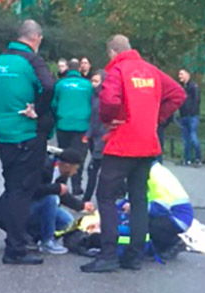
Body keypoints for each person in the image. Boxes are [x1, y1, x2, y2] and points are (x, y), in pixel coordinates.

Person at [80, 34, 186, 273]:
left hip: (122, 144)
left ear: (112, 52)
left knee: (105, 196)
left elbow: (108, 100)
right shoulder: (151, 71)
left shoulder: (118, 71)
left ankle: (108, 255)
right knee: (139, 198)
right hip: (147, 144)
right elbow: (178, 94)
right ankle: (134, 256)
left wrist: (109, 120)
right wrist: (155, 119)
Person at [0, 19, 56, 265]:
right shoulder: (32, 61)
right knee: (22, 192)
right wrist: (38, 109)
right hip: (27, 134)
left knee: (12, 186)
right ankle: (15, 249)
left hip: (4, 135)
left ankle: (13, 235)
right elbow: (49, 87)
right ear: (36, 37)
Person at [52, 59, 93, 196]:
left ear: (68, 69)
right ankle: (77, 186)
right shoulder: (87, 85)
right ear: (79, 70)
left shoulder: (60, 84)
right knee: (79, 155)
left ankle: (61, 184)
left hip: (63, 124)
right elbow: (93, 103)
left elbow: (53, 104)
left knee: (63, 155)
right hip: (81, 125)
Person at [82, 69, 107, 203]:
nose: (93, 84)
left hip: (101, 138)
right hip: (95, 136)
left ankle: (88, 197)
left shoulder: (101, 99)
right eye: (92, 81)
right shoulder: (93, 97)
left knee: (94, 168)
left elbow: (97, 120)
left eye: (96, 81)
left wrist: (89, 134)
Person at [178, 68, 202, 167]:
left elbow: (197, 101)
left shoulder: (194, 87)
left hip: (192, 116)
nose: (180, 76)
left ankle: (197, 157)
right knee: (186, 139)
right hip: (183, 115)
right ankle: (187, 158)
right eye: (179, 74)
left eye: (182, 74)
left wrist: (192, 112)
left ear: (188, 75)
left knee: (193, 137)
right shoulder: (182, 87)